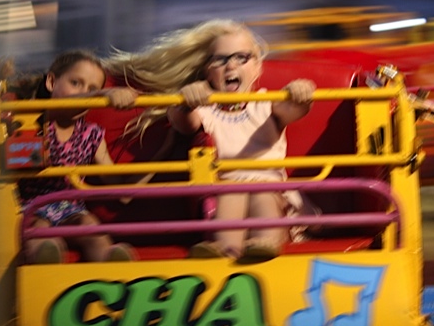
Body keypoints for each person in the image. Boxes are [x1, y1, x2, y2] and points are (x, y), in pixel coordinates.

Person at [103, 19, 316, 261]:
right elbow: (184, 122)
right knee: (231, 194)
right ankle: (224, 251)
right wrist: (187, 99)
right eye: (221, 59)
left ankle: (265, 244)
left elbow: (293, 109)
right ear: (208, 72)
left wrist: (301, 93)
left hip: (269, 189)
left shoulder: (267, 102)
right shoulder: (207, 110)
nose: (230, 66)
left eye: (241, 58)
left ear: (256, 67)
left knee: (262, 195)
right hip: (223, 190)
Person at [1, 50, 155, 264]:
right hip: (33, 208)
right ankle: (47, 256)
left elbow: (120, 191)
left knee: (89, 225)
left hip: (70, 211)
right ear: (52, 82)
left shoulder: (91, 134)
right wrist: (101, 95)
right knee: (41, 231)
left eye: (93, 88)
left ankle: (111, 262)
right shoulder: (33, 122)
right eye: (76, 83)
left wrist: (163, 151)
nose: (85, 93)